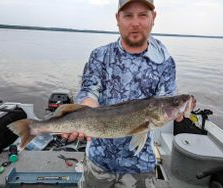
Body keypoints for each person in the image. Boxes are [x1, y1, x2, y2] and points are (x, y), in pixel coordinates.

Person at [62, 0, 181, 187]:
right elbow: (89, 90)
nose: (135, 23)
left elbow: (166, 102)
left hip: (141, 165)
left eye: (143, 15)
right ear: (117, 19)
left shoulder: (165, 63)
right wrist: (84, 110)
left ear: (153, 18)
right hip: (98, 161)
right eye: (128, 15)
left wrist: (178, 110)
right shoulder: (99, 55)